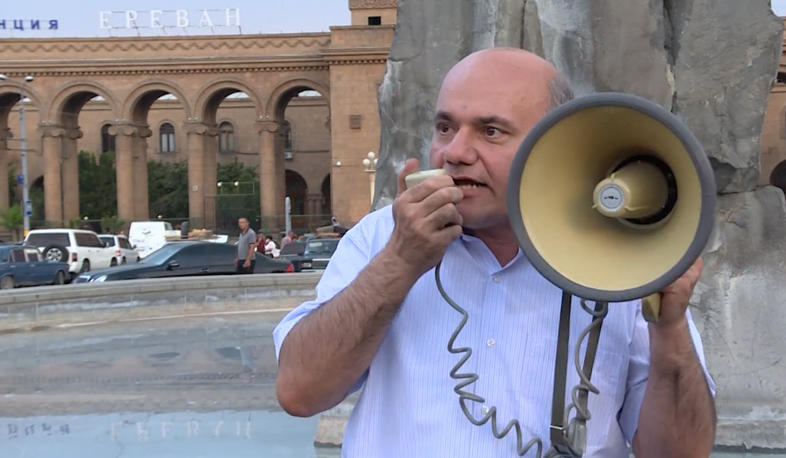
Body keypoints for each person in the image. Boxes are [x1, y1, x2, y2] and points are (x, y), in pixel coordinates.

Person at [273, 48, 716, 457]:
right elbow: (300, 392)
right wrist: (399, 262)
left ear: (555, 143)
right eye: (445, 127)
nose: (454, 152)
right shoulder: (380, 239)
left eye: (491, 131)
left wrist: (669, 327)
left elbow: (681, 453)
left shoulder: (624, 259)